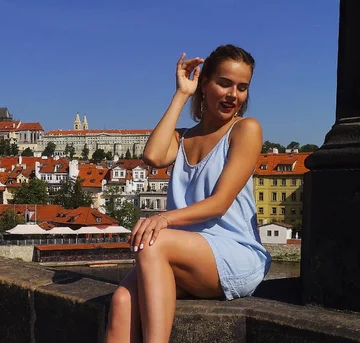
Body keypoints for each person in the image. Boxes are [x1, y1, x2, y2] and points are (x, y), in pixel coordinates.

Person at [105, 44, 271, 342]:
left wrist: (164, 218)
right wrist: (182, 93)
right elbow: (153, 157)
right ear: (204, 85)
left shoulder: (245, 129)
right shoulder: (183, 137)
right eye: (224, 83)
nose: (234, 94)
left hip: (234, 253)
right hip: (183, 252)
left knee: (153, 242)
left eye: (242, 87)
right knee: (122, 302)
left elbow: (219, 204)